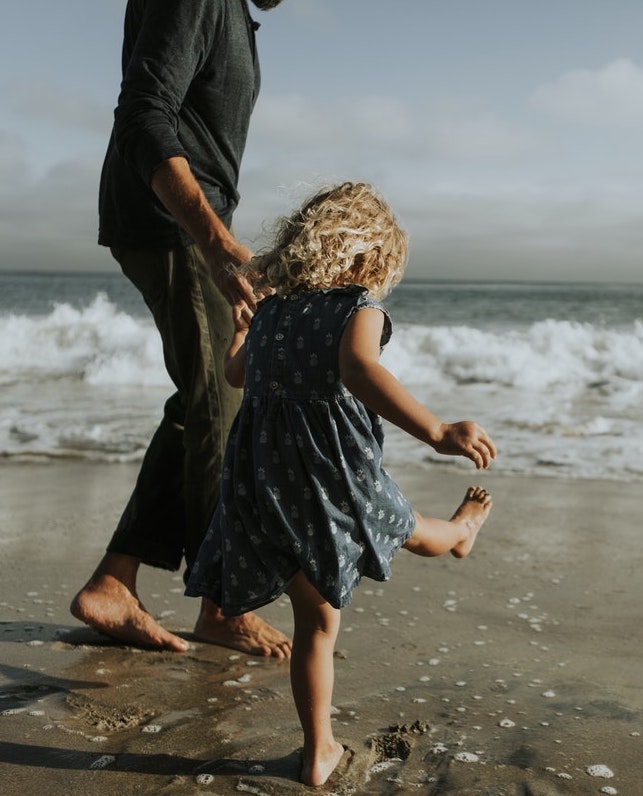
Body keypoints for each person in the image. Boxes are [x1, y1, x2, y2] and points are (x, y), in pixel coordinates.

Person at [185, 181, 497, 786]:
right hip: (335, 479)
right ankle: (460, 533)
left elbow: (234, 374)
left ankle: (316, 750)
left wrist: (241, 329)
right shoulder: (359, 309)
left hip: (268, 485)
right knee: (404, 527)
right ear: (369, 257)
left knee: (313, 625)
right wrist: (436, 431)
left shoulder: (272, 310)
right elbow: (359, 369)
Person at [70, 0, 292, 659]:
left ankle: (115, 580)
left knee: (206, 400)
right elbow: (142, 114)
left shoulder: (232, 14)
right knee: (227, 405)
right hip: (171, 222)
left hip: (183, 223)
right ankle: (221, 604)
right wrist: (216, 241)